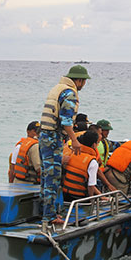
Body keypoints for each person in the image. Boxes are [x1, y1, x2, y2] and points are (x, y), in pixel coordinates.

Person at [39, 65, 91, 225]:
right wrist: (74, 140)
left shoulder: (57, 88)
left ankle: (44, 212)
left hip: (43, 135)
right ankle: (50, 217)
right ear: (80, 80)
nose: (83, 85)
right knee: (53, 177)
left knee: (46, 176)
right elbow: (66, 121)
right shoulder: (69, 94)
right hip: (53, 137)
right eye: (84, 81)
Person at [62, 131, 101, 201]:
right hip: (79, 197)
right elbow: (91, 186)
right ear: (94, 145)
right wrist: (90, 201)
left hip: (65, 195)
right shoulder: (92, 162)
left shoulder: (72, 154)